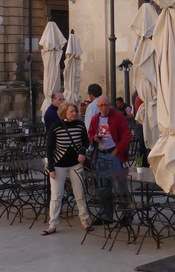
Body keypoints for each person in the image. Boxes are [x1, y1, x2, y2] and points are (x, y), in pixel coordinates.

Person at [41, 102, 92, 236]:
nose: (74, 113)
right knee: (56, 195)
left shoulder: (80, 125)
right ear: (64, 113)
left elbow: (86, 141)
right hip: (58, 165)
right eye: (72, 111)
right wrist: (51, 168)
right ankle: (52, 224)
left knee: (80, 194)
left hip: (75, 164)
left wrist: (82, 152)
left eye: (75, 111)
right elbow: (49, 148)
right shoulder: (56, 127)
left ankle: (85, 220)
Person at [87, 95, 132, 222]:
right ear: (98, 107)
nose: (104, 108)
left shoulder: (118, 116)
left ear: (110, 104)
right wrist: (94, 138)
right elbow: (90, 134)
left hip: (113, 154)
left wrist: (117, 150)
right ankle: (107, 214)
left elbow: (127, 136)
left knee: (120, 185)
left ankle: (126, 214)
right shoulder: (95, 119)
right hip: (100, 154)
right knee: (103, 186)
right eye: (101, 105)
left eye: (106, 105)